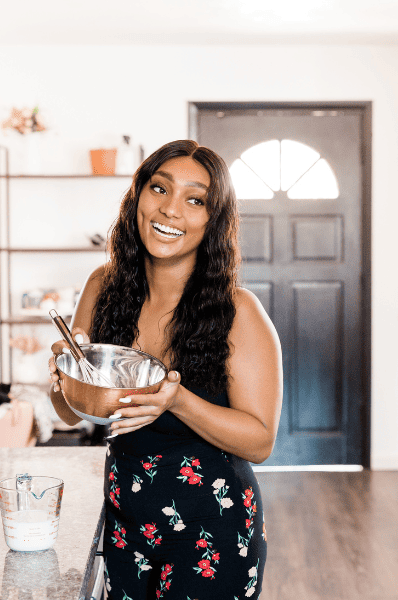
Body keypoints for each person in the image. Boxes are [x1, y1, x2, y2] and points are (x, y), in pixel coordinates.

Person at [48, 140, 283, 599]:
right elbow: (70, 413)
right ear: (138, 195)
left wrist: (176, 399)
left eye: (196, 200)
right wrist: (63, 373)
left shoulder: (238, 312)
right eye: (160, 189)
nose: (171, 210)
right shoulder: (103, 286)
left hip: (212, 527)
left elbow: (260, 442)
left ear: (213, 221)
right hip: (125, 517)